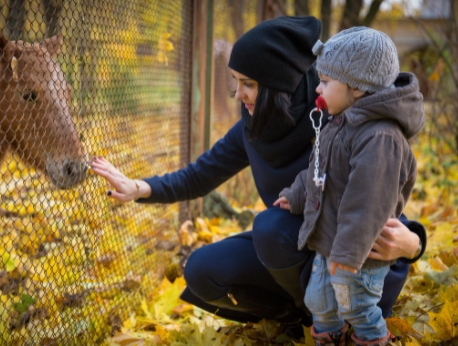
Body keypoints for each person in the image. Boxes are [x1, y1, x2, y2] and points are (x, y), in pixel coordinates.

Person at [88, 16, 426, 338]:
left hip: (357, 263)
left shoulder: (339, 113)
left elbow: (377, 198)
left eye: (248, 84)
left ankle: (337, 319)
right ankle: (300, 317)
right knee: (202, 270)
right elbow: (199, 175)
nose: (238, 94)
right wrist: (138, 188)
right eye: (236, 81)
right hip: (299, 251)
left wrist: (414, 244)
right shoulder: (255, 127)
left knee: (271, 227)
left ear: (278, 84)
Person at [275, 27, 425, 344]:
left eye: (326, 82)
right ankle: (330, 336)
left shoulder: (379, 137)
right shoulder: (342, 121)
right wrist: (297, 194)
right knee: (319, 302)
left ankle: (373, 338)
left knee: (357, 306)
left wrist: (348, 253)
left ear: (357, 88)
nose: (318, 87)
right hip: (331, 244)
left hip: (360, 253)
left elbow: (368, 203)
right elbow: (319, 168)